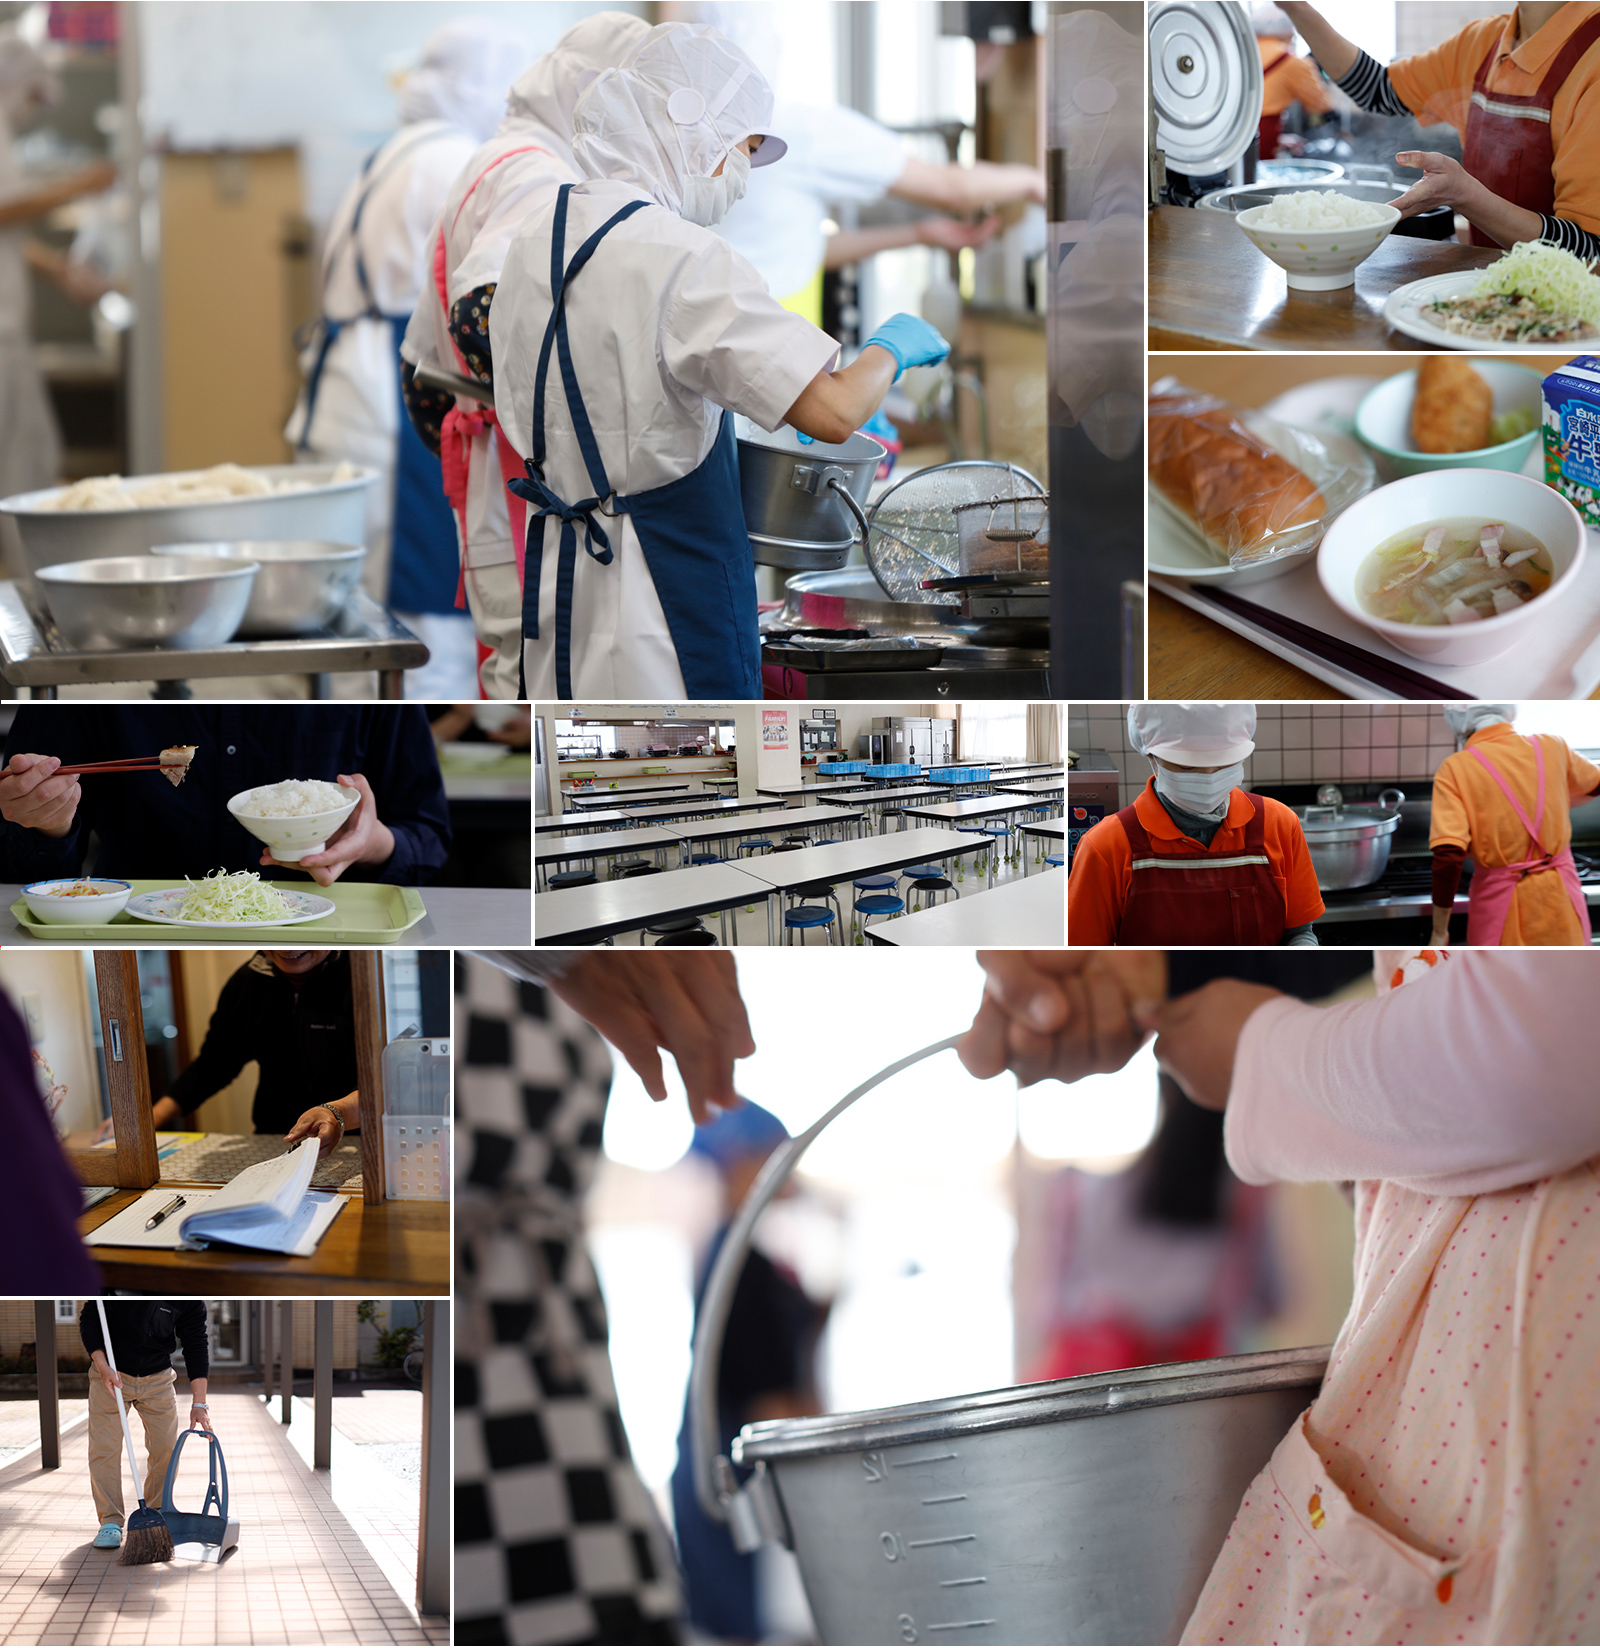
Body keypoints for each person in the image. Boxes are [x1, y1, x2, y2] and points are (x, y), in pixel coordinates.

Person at [966, 947, 1600, 1643]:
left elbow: (1543, 1035)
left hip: (1084, 1433)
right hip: (1199, 1443)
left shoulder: (1077, 1196)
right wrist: (1170, 967)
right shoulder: (1242, 1216)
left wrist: (1261, 1052)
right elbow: (1276, 1299)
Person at [487, 21, 951, 699]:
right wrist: (891, 347)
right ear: (689, 129)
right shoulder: (683, 256)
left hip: (560, 581)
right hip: (662, 598)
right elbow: (834, 410)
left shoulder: (537, 237)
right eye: (743, 150)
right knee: (685, 767)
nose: (740, 178)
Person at [402, 12, 650, 701]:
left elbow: (421, 382)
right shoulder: (542, 177)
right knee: (534, 669)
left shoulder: (497, 155)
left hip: (490, 473)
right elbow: (480, 314)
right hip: (520, 483)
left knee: (518, 661)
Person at [286, 18, 525, 698]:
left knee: (362, 602)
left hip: (353, 385)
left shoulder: (398, 151)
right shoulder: (451, 161)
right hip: (398, 391)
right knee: (420, 602)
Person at [669, 1102, 825, 1643]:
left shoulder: (732, 1251)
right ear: (742, 1162)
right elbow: (767, 1398)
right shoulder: (739, 1262)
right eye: (777, 1156)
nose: (790, 1170)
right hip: (725, 1477)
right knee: (730, 1629)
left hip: (709, 1469)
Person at [1276, 1, 1600, 255]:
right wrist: (1295, 6)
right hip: (1492, 295)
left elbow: (1591, 251)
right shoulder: (1484, 41)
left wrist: (1467, 196)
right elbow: (1380, 90)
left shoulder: (1593, 57)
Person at [0, 705, 450, 887]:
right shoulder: (79, 691)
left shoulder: (366, 686)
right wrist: (47, 822)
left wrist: (374, 844)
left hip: (333, 913)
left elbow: (429, 840)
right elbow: (18, 870)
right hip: (138, 913)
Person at [1067, 703, 1325, 946]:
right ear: (1151, 755)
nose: (1209, 778)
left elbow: (1299, 931)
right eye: (1187, 766)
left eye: (1225, 764)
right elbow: (1082, 958)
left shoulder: (1279, 825)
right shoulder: (1105, 847)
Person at [0, 31, 116, 549]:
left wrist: (57, 269)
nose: (30, 111)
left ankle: (28, 590)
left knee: (30, 457)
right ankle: (27, 596)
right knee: (22, 466)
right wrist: (77, 185)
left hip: (9, 328)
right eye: (30, 97)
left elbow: (8, 237)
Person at [89, 951, 360, 1150]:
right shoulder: (249, 981)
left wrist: (337, 1113)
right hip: (276, 1139)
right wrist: (148, 1119)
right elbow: (214, 1064)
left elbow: (392, 1082)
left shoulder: (361, 974)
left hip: (358, 1139)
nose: (287, 949)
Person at [1428, 701, 1600, 947]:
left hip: (1500, 910)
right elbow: (1595, 784)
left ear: (1456, 720)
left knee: (1501, 982)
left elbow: (1448, 855)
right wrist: (1555, 801)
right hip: (1561, 903)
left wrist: (1438, 932)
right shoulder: (1552, 746)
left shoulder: (1455, 769)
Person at [78, 1300, 210, 1552]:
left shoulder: (187, 1294)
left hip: (158, 1377)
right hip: (111, 1374)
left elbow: (196, 1342)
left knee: (167, 1450)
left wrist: (200, 1403)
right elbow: (91, 1319)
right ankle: (110, 1521)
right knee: (104, 1448)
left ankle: (156, 1514)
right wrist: (102, 1366)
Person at [1253, 5, 1334, 160]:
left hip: (1231, 140)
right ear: (1290, 30)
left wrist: (1279, 140)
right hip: (1262, 143)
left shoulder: (1240, 53)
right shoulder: (1293, 62)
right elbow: (1321, 107)